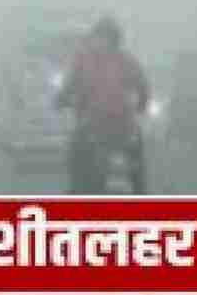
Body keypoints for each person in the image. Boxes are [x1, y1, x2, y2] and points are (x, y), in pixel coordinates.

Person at [55, 15, 150, 194]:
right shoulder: (93, 60)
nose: (101, 42)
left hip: (111, 122)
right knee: (78, 150)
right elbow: (70, 84)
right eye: (100, 37)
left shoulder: (120, 61)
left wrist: (141, 104)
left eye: (104, 37)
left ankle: (138, 192)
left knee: (134, 152)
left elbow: (142, 85)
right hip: (102, 122)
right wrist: (61, 98)